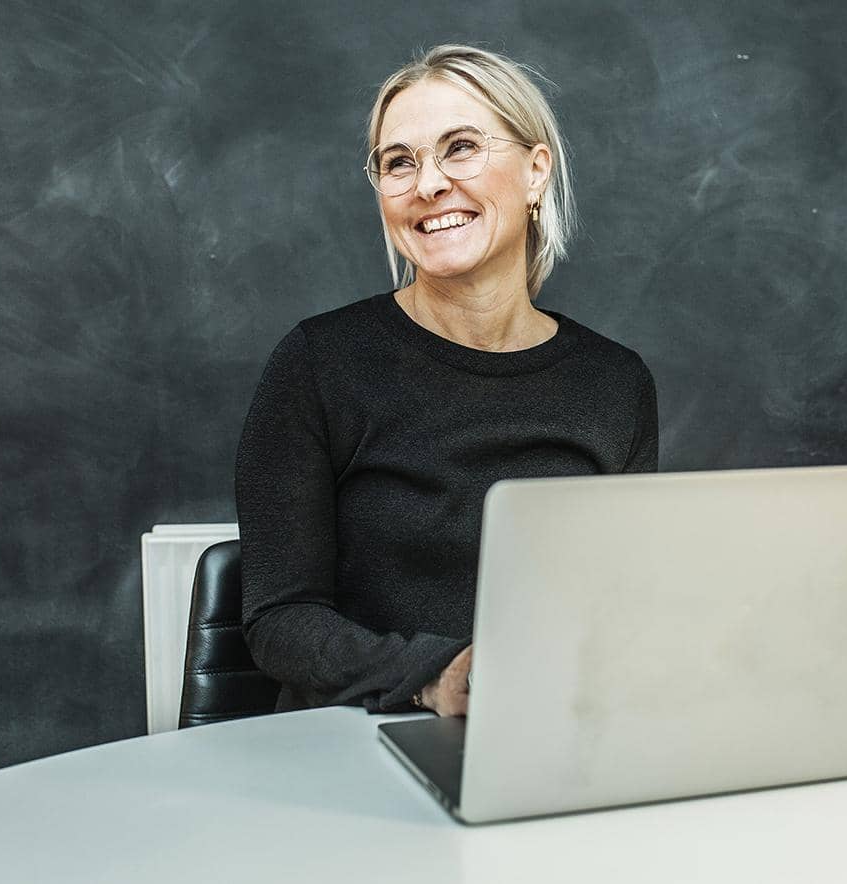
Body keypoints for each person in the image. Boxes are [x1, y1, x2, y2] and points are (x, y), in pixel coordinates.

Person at [235, 44, 658, 718]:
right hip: (353, 744)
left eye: (460, 148)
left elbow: (628, 608)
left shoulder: (614, 383)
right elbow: (280, 619)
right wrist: (435, 676)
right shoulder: (318, 364)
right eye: (398, 162)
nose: (427, 184)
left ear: (535, 172)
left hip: (548, 736)